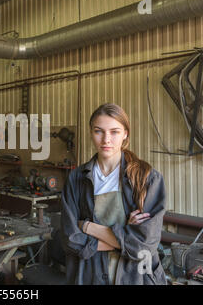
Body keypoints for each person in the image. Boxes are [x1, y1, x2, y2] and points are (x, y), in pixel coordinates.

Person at [61, 103, 167, 285]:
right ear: (90, 132)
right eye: (98, 131)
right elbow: (70, 239)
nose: (106, 140)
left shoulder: (147, 178)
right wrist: (125, 238)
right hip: (89, 275)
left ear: (125, 133)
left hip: (137, 276)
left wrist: (88, 227)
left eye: (114, 132)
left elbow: (144, 244)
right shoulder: (76, 179)